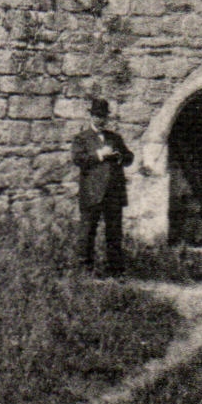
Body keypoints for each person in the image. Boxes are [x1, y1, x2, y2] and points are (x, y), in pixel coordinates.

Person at [71, 96, 134, 276]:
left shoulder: (115, 137)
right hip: (92, 192)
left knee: (114, 233)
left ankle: (115, 271)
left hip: (113, 193)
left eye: (103, 116)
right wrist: (100, 154)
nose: (100, 119)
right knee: (88, 231)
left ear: (107, 117)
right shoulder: (82, 138)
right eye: (97, 116)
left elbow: (129, 157)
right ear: (91, 116)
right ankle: (85, 270)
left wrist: (120, 156)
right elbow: (78, 159)